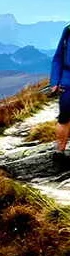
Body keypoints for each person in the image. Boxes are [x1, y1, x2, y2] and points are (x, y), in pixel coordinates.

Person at [51, 24, 70, 160]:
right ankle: (60, 152)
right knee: (64, 117)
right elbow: (58, 56)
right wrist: (55, 80)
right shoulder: (68, 30)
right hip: (67, 80)